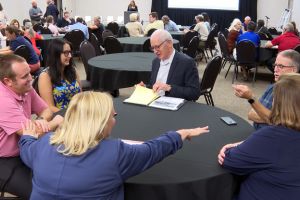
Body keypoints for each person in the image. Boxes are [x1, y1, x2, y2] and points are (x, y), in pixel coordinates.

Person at [19, 91, 209, 199]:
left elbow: (26, 147)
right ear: (100, 122)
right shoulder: (116, 154)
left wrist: (27, 136)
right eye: (112, 115)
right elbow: (154, 150)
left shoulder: (42, 146)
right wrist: (180, 134)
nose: (114, 120)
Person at [218, 73, 300, 200]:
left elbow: (230, 160)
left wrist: (231, 148)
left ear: (281, 103)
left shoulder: (274, 136)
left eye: (275, 97)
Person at [0, 54, 63, 199]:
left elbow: (46, 110)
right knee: (42, 193)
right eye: (25, 76)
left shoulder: (25, 88)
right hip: (5, 160)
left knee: (60, 177)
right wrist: (56, 122)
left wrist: (41, 120)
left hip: (25, 148)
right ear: (8, 81)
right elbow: (31, 134)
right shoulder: (3, 100)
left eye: (29, 72)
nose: (31, 78)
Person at [232, 49, 300, 130]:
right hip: (257, 133)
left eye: (281, 66)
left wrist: (251, 98)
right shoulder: (273, 87)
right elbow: (251, 115)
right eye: (275, 65)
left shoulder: (294, 93)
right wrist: (269, 117)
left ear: (293, 70)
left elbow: (279, 122)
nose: (275, 69)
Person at [140, 29, 201, 101]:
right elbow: (153, 86)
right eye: (153, 48)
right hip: (155, 102)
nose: (155, 51)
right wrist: (145, 87)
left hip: (174, 107)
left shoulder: (187, 62)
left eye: (158, 47)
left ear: (169, 43)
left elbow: (194, 93)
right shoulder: (155, 62)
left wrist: (169, 88)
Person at [37, 38, 81, 112]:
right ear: (55, 55)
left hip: (78, 113)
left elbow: (81, 96)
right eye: (66, 53)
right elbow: (49, 107)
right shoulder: (45, 76)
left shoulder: (73, 71)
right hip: (60, 117)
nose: (70, 56)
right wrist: (72, 117)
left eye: (70, 52)